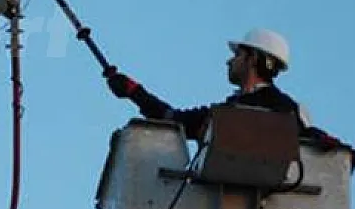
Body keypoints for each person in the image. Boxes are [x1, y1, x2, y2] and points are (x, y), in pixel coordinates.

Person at [105, 28, 312, 141]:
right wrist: (134, 91)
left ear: (253, 58)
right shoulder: (226, 112)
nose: (229, 61)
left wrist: (135, 92)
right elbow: (175, 121)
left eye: (238, 55)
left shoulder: (284, 110)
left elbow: (307, 139)